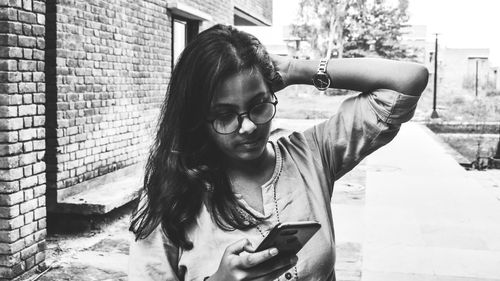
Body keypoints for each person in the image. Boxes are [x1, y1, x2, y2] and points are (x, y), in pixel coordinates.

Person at [128, 24, 428, 281]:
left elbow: (407, 80)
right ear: (196, 118)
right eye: (224, 114)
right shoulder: (166, 198)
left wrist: (297, 69)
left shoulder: (312, 155)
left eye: (259, 105)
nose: (247, 127)